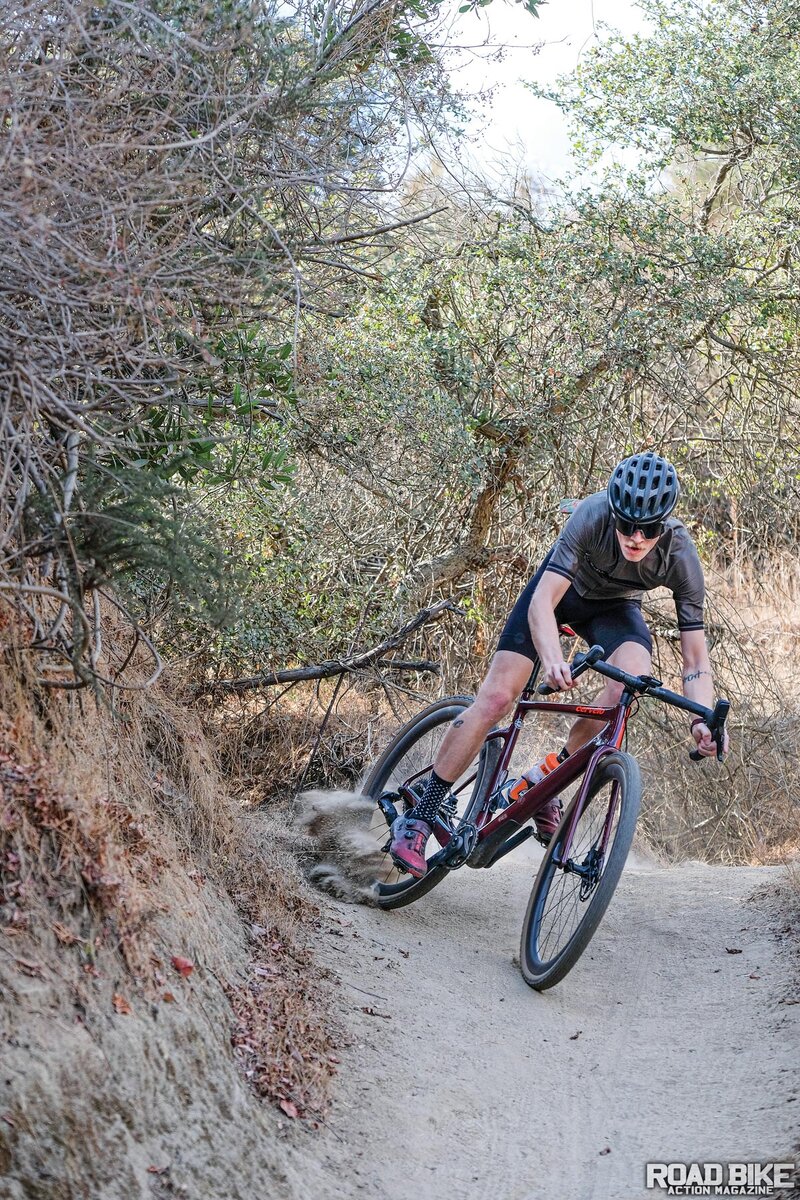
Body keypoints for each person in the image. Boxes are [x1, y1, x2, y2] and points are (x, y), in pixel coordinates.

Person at [389, 451, 729, 878]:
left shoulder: (681, 556)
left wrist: (701, 718)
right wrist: (551, 659)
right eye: (627, 524)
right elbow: (543, 604)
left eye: (650, 529)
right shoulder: (592, 515)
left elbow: (695, 658)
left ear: (667, 524)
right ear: (614, 510)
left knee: (630, 683)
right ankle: (421, 814)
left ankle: (543, 779)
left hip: (614, 612)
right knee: (498, 698)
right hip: (557, 598)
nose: (637, 537)